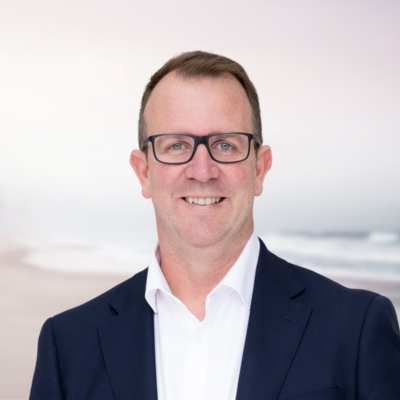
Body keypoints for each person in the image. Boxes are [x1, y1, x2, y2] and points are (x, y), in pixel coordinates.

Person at [30, 51, 400, 400]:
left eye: (225, 145)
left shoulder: (356, 329)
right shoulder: (68, 346)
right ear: (144, 172)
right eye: (176, 146)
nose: (202, 171)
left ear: (259, 168)